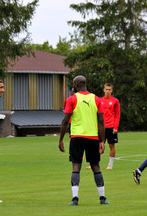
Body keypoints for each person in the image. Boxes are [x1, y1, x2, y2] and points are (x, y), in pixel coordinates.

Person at [59, 75, 109, 206]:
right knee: (96, 166)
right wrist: (102, 141)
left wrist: (60, 140)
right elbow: (102, 121)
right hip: (93, 137)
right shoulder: (96, 99)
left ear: (76, 85)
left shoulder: (72, 99)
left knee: (76, 166)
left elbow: (65, 121)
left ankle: (75, 199)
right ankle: (102, 198)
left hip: (76, 137)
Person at [87, 83, 120, 170]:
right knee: (97, 145)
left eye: (109, 89)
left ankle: (110, 165)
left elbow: (117, 115)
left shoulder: (115, 101)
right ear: (104, 90)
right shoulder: (99, 100)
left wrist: (115, 127)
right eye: (106, 89)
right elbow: (95, 114)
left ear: (112, 90)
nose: (108, 91)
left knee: (111, 146)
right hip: (101, 127)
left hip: (111, 126)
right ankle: (94, 164)